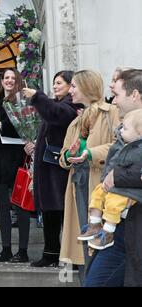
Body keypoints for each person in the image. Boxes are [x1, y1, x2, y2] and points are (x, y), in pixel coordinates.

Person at [59, 70, 120, 281]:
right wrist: (70, 155)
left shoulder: (111, 112)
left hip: (103, 185)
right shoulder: (76, 121)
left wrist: (91, 153)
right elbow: (63, 156)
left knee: (102, 243)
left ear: (87, 87)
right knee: (84, 244)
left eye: (74, 86)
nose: (71, 90)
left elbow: (120, 146)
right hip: (79, 184)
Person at [85, 69, 142, 287]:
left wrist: (118, 175)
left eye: (117, 95)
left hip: (133, 230)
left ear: (134, 95)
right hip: (118, 226)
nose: (113, 101)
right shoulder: (126, 127)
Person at [22, 71, 81, 267]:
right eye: (54, 83)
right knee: (50, 212)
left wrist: (37, 96)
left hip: (61, 169)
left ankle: (72, 255)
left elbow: (56, 114)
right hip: (48, 169)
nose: (55, 86)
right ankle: (51, 253)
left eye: (59, 83)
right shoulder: (58, 104)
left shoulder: (72, 106)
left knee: (65, 213)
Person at [78, 109, 142, 250]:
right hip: (117, 186)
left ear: (139, 133)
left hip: (127, 191)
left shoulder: (138, 149)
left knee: (113, 203)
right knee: (97, 193)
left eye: (125, 128)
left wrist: (116, 174)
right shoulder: (124, 145)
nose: (120, 131)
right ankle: (94, 224)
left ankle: (108, 233)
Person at [0, 68, 30, 263]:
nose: (10, 81)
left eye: (13, 78)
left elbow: (25, 126)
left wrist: (0, 125)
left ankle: (23, 251)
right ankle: (6, 249)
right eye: (6, 78)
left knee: (20, 206)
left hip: (16, 158)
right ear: (2, 81)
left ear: (17, 81)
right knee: (2, 207)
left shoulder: (24, 101)